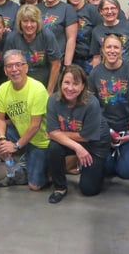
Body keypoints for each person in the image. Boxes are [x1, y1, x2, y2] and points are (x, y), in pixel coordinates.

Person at [46, 65, 111, 203]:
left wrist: (58, 133)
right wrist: (77, 147)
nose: (70, 88)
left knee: (89, 190)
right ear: (60, 82)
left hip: (96, 142)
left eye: (75, 84)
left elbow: (85, 136)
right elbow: (51, 132)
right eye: (66, 82)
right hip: (78, 140)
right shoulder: (53, 100)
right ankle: (60, 187)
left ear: (83, 86)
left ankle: (103, 165)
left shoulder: (91, 103)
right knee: (54, 147)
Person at [0, 49, 50, 190]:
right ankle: (13, 170)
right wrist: (2, 139)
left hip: (40, 141)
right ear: (5, 70)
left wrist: (16, 146)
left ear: (26, 67)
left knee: (34, 186)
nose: (14, 69)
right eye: (9, 66)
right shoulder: (3, 89)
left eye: (18, 65)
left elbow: (35, 125)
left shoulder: (37, 89)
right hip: (21, 133)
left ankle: (45, 167)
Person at [89, 34, 129, 179]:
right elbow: (92, 108)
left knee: (126, 173)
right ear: (103, 50)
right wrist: (106, 132)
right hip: (105, 131)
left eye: (116, 47)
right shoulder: (95, 73)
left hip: (126, 130)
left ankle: (124, 153)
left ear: (122, 50)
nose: (112, 51)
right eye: (108, 47)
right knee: (106, 171)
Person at [5, 4, 61, 94]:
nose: (29, 25)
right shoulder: (12, 38)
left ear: (38, 22)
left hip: (44, 84)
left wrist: (49, 92)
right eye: (25, 21)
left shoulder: (47, 35)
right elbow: (9, 67)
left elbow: (56, 64)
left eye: (33, 21)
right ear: (20, 23)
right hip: (21, 86)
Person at [38, 0, 78, 65]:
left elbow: (71, 39)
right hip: (38, 62)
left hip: (57, 62)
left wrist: (67, 65)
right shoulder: (36, 8)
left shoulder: (67, 9)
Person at [90, 0, 129, 67]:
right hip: (106, 71)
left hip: (128, 70)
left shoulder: (128, 26)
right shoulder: (96, 31)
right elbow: (96, 57)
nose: (110, 12)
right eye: (106, 9)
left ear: (118, 10)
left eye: (113, 8)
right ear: (101, 11)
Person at [65, 0, 101, 74]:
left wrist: (96, 57)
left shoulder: (91, 10)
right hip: (68, 59)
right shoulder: (63, 10)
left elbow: (99, 33)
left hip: (87, 60)